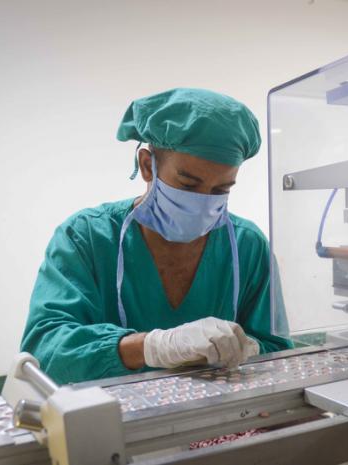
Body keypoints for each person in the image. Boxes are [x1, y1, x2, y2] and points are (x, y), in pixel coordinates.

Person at [21, 88, 293, 384]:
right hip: (109, 421)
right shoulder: (86, 237)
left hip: (219, 419)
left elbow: (276, 351)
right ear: (146, 165)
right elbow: (45, 353)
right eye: (188, 185)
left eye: (221, 191)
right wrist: (153, 347)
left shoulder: (247, 245)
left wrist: (247, 348)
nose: (202, 203)